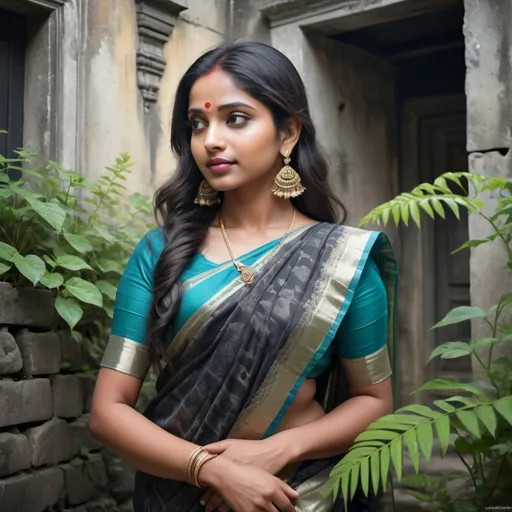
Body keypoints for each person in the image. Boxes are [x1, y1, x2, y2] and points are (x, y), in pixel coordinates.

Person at [90, 40, 398, 512]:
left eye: (235, 119)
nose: (210, 139)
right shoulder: (160, 252)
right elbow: (108, 411)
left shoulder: (342, 259)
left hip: (300, 494)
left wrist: (278, 451)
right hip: (180, 495)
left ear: (288, 133)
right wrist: (209, 467)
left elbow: (374, 402)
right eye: (198, 123)